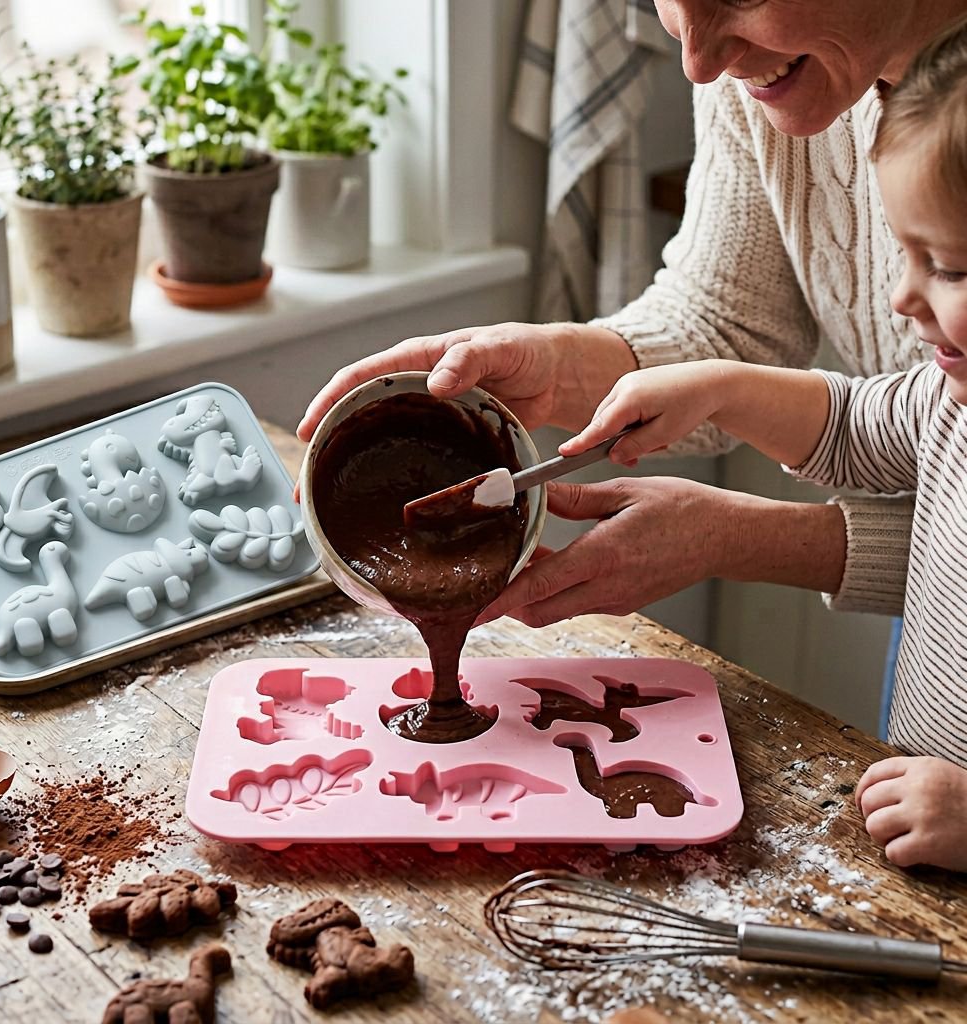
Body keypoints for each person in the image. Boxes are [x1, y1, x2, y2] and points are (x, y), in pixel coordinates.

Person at [300, 0, 967, 631]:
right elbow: (732, 325)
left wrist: (739, 537)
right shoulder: (759, 60)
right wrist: (562, 369)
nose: (698, 64)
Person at [544, 17, 967, 871]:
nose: (901, 299)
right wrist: (720, 388)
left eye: (949, 268)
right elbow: (854, 426)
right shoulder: (951, 399)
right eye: (903, 256)